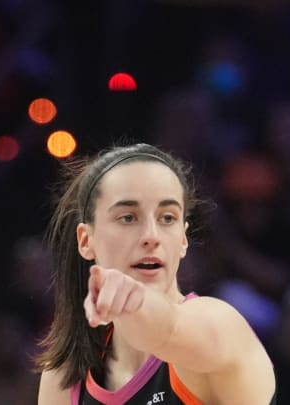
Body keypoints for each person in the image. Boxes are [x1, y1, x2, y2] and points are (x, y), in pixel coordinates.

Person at [35, 143, 276, 404]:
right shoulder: (64, 376)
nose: (151, 236)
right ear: (85, 241)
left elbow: (168, 329)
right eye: (128, 217)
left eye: (167, 218)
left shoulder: (220, 323)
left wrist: (136, 301)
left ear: (183, 239)